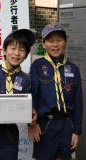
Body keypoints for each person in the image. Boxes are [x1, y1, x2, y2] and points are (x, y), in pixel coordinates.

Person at [28, 23, 83, 160]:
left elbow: (78, 101)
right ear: (43, 43)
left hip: (67, 125)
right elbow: (31, 97)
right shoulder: (37, 66)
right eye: (50, 40)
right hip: (45, 125)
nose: (55, 45)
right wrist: (31, 124)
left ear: (65, 42)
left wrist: (77, 131)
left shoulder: (73, 69)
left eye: (59, 40)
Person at [0, 28, 36, 160]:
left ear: (26, 55)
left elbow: (28, 106)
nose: (16, 53)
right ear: (4, 50)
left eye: (22, 50)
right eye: (13, 48)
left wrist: (32, 117)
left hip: (9, 136)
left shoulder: (26, 80)